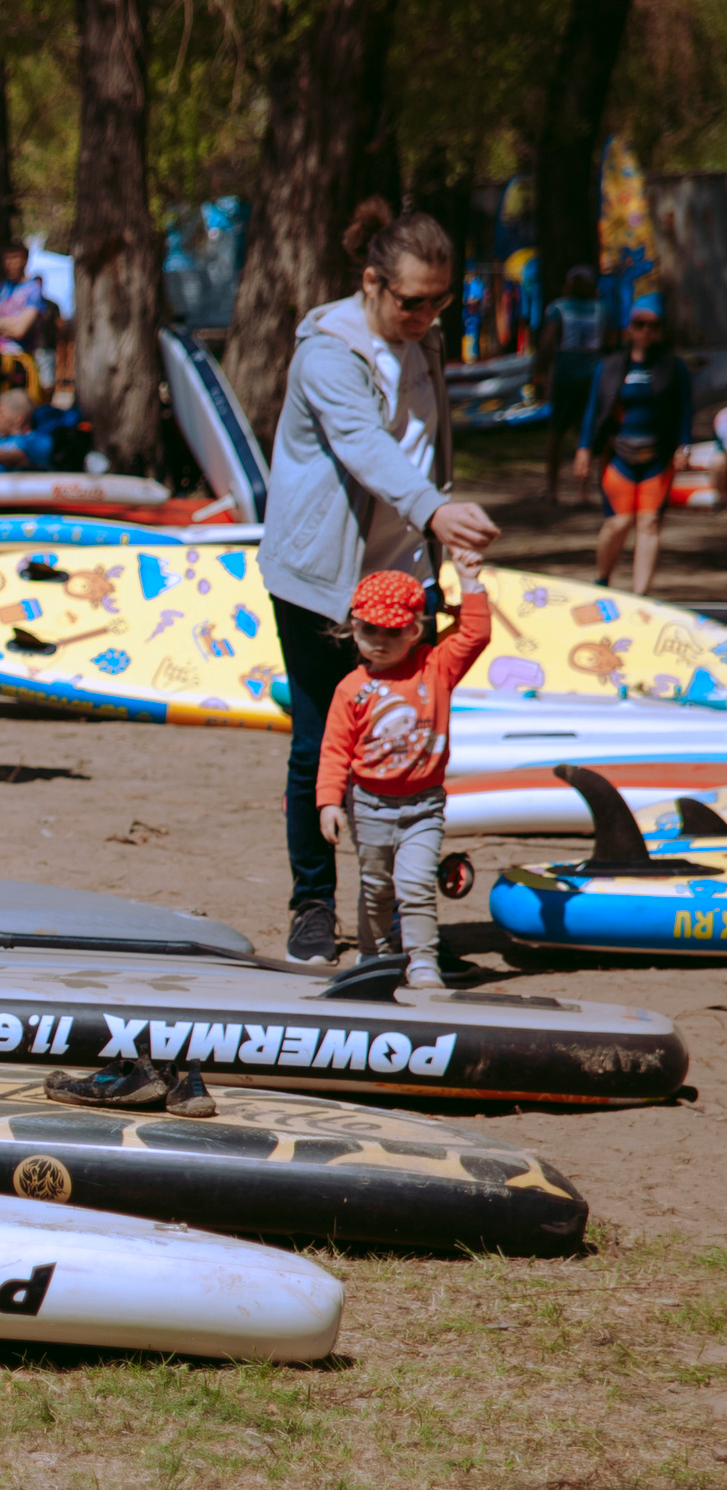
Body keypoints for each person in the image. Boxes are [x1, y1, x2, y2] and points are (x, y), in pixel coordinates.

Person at [261, 197, 500, 966]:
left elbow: (425, 446)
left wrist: (434, 536)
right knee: (320, 743)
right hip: (321, 579)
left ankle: (393, 910)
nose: (427, 315)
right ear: (371, 283)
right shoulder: (328, 351)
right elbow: (365, 443)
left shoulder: (420, 343)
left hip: (403, 578)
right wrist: (436, 510)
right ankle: (311, 904)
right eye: (411, 301)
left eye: (441, 300)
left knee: (407, 737)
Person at [316, 560, 492, 989]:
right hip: (369, 805)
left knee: (414, 887)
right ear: (353, 628)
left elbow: (476, 635)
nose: (380, 642)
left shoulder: (435, 668)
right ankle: (373, 957)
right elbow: (335, 749)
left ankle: (423, 962)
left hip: (423, 805)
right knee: (376, 887)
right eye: (370, 631)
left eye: (393, 632)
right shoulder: (350, 689)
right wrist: (328, 802)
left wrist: (470, 583)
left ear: (415, 630)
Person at [576, 295, 693, 596]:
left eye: (653, 325)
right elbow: (594, 408)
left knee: (650, 522)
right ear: (629, 326)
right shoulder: (612, 365)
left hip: (657, 456)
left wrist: (684, 445)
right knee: (619, 522)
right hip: (619, 455)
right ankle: (603, 577)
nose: (645, 331)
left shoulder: (673, 366)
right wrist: (585, 447)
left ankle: (641, 595)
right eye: (639, 324)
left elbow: (684, 408)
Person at [534, 265, 606, 505]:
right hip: (592, 379)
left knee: (556, 432)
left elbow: (547, 342)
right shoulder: (601, 309)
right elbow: (611, 342)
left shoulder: (558, 308)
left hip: (565, 378)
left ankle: (552, 489)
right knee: (584, 434)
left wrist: (539, 372)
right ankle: (583, 492)